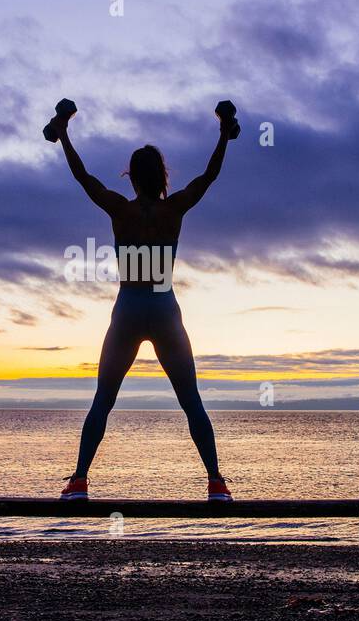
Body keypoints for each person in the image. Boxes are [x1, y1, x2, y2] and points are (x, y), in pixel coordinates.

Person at [51, 106, 235, 501]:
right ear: (163, 176)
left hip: (129, 307)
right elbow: (210, 176)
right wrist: (223, 134)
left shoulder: (121, 208)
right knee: (191, 401)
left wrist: (64, 134)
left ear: (132, 177)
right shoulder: (174, 208)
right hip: (164, 304)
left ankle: (80, 481)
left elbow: (83, 178)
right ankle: (216, 483)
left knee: (104, 398)